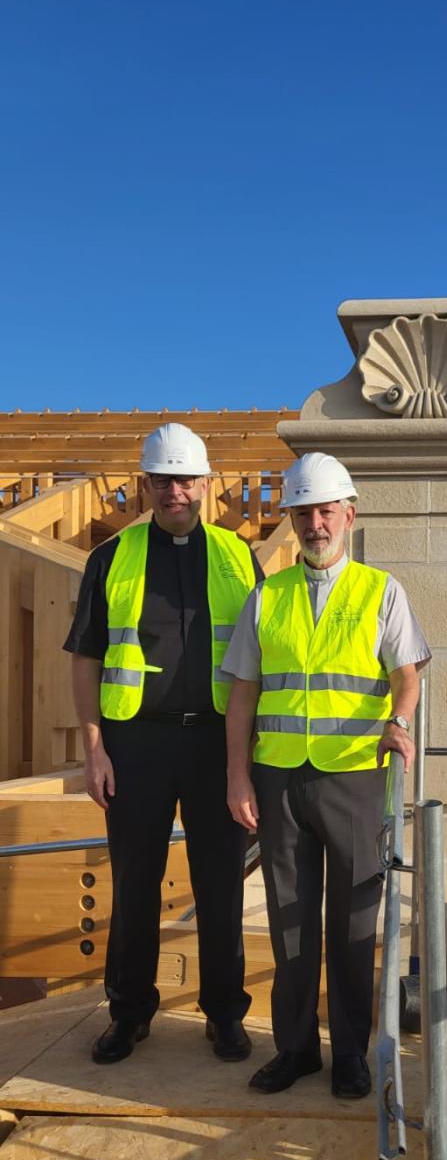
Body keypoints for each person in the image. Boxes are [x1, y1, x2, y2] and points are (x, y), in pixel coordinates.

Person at [224, 452, 430, 1098]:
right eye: (303, 513)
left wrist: (399, 721)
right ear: (291, 519)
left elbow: (406, 675)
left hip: (353, 777)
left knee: (352, 925)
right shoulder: (268, 595)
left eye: (324, 511)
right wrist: (237, 776)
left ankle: (349, 1055)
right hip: (279, 778)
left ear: (348, 515)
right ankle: (294, 1050)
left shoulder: (380, 590)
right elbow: (243, 692)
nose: (314, 524)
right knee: (289, 921)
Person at [65, 422, 260, 1064]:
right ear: (144, 484)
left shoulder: (238, 556)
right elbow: (86, 657)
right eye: (162, 480)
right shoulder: (110, 557)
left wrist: (246, 759)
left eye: (185, 479)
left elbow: (262, 657)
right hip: (135, 746)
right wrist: (94, 749)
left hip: (216, 745)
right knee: (134, 885)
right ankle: (128, 1013)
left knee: (221, 885)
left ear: (205, 483)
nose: (174, 490)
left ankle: (225, 1015)